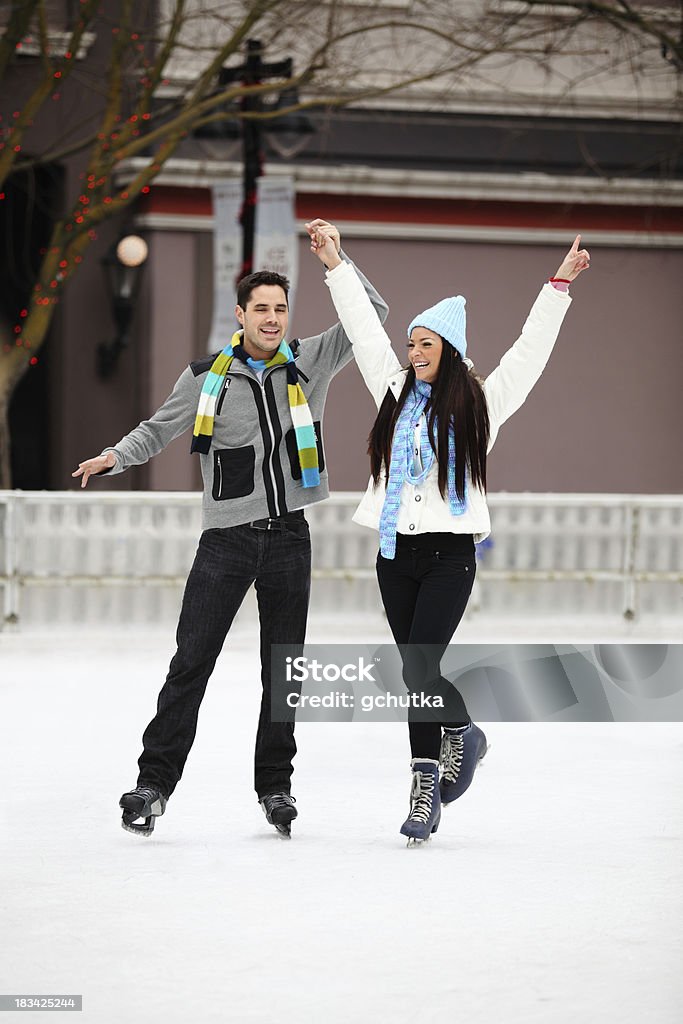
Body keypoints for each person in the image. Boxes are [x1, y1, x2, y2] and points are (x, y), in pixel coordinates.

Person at [73, 220, 388, 839]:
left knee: (284, 669)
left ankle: (275, 788)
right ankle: (152, 786)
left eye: (280, 309)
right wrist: (116, 455)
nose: (272, 318)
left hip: (289, 537)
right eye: (260, 309)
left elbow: (370, 314)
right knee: (191, 661)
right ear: (240, 314)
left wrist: (335, 261)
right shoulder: (204, 378)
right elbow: (158, 429)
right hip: (228, 542)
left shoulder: (309, 364)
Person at [308, 226, 590, 844]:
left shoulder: (482, 403)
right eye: (410, 341)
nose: (412, 351)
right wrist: (335, 264)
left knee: (417, 669)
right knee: (415, 674)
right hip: (394, 554)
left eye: (425, 342)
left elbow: (529, 353)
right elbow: (362, 331)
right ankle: (458, 737)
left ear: (451, 350)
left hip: (450, 557)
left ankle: (426, 787)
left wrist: (558, 286)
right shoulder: (395, 391)